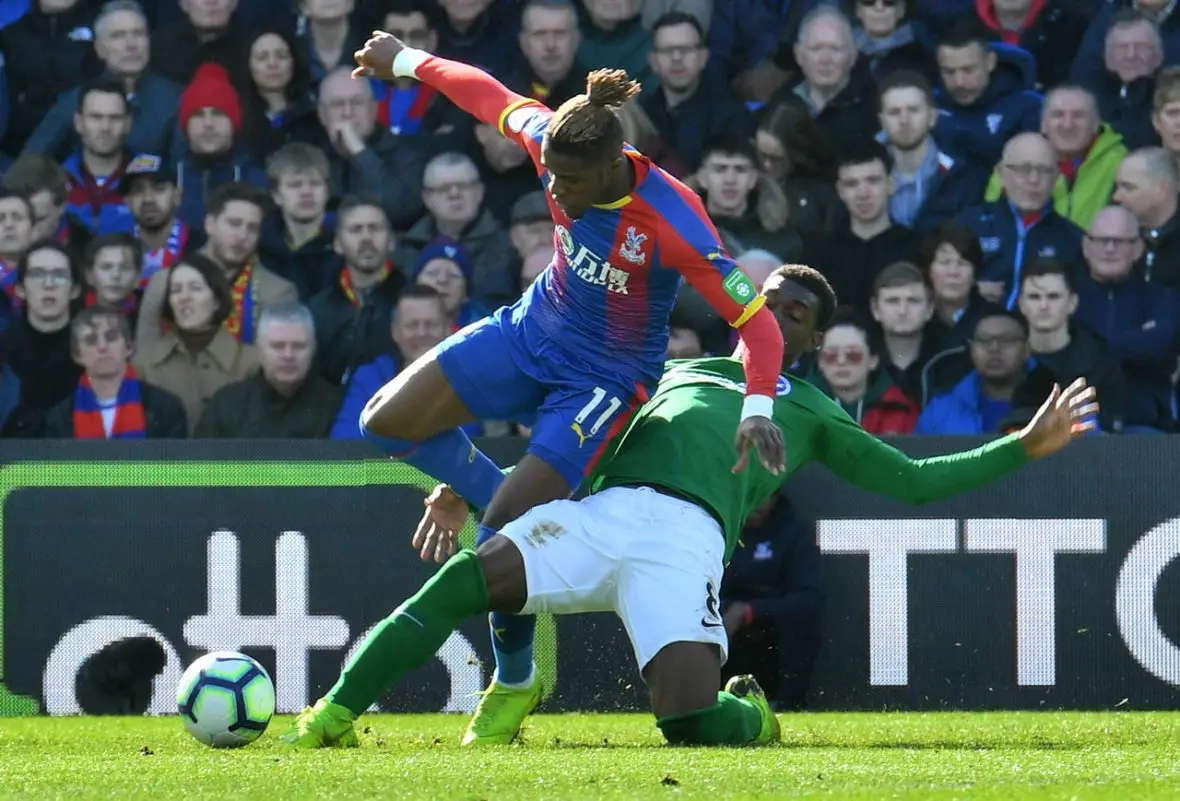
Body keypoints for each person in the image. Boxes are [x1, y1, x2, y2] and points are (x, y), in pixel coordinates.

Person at [280, 264, 1097, 749]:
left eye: (795, 314)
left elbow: (912, 481)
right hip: (602, 514)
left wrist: (1022, 445)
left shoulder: (812, 411)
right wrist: (457, 484)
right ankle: (332, 714)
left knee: (690, 726)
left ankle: (753, 717)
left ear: (813, 341)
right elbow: (565, 435)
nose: (774, 315)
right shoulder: (672, 371)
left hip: (685, 544)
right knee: (460, 581)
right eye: (769, 299)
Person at [346, 30, 788, 745]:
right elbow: (485, 92)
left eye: (569, 182)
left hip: (604, 379)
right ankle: (491, 491)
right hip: (530, 331)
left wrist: (758, 405)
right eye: (549, 175)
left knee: (500, 534)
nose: (554, 190)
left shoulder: (675, 219)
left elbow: (758, 324)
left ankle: (515, 680)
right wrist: (404, 61)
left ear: (613, 166)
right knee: (382, 422)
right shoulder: (554, 138)